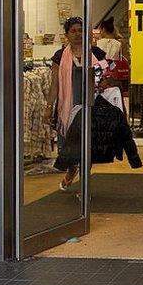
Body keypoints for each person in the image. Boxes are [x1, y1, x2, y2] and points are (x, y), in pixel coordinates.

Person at [46, 16, 107, 191]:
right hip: (67, 109)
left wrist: (103, 81)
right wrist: (48, 108)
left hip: (90, 107)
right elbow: (54, 85)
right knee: (68, 148)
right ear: (66, 34)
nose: (77, 34)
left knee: (88, 148)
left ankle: (84, 186)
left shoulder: (97, 54)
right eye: (73, 31)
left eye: (81, 30)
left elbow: (107, 76)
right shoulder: (59, 56)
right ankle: (71, 172)